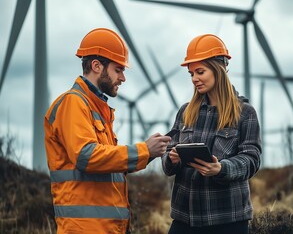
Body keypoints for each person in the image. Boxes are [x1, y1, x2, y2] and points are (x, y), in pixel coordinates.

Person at [44, 28, 171, 234]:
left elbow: (109, 163)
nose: (123, 78)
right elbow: (86, 156)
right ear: (96, 66)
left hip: (107, 228)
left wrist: (149, 153)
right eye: (118, 70)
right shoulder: (73, 103)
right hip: (84, 229)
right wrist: (143, 150)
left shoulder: (97, 108)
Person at [162, 34, 262, 234]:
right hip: (184, 218)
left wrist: (221, 169)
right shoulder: (185, 111)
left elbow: (252, 159)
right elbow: (168, 152)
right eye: (191, 74)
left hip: (227, 220)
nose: (194, 79)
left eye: (200, 72)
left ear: (219, 70)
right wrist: (172, 158)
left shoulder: (244, 112)